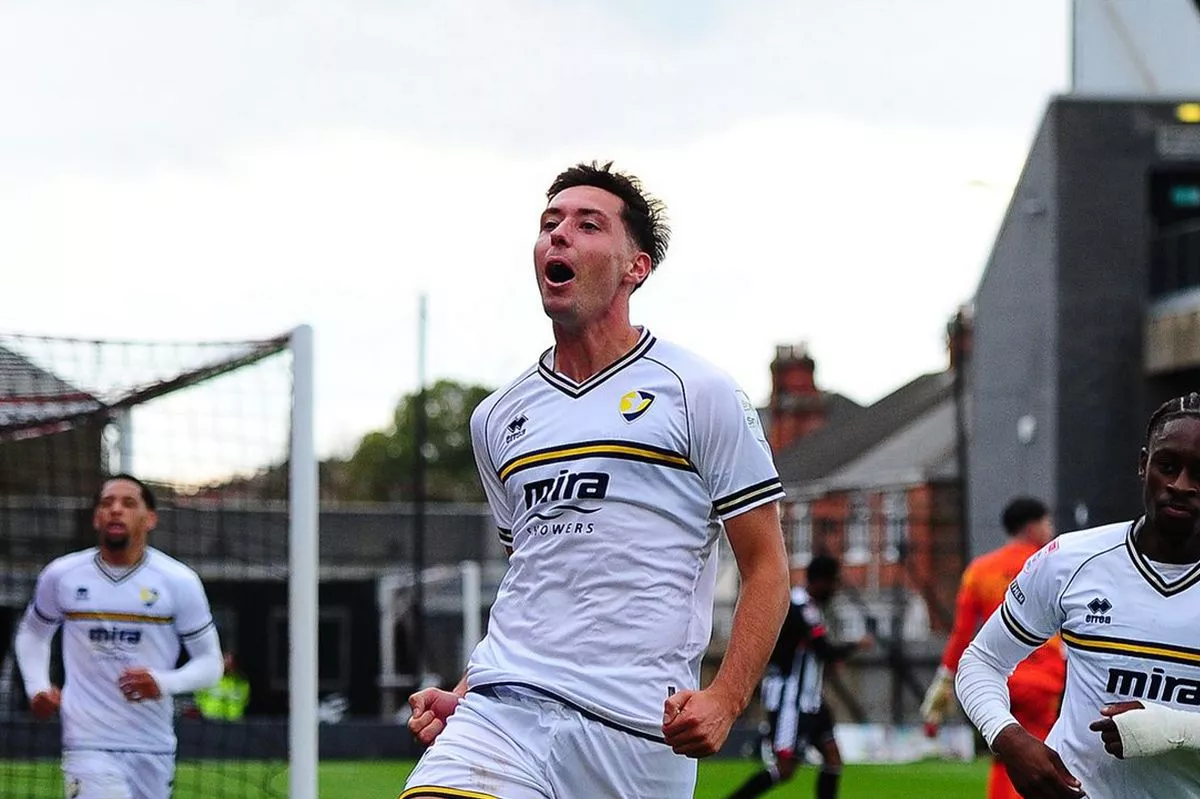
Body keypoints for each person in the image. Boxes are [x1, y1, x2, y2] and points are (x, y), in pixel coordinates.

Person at [402, 161, 791, 799]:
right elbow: (538, 579)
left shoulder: (701, 393)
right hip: (503, 713)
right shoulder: (497, 417)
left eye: (587, 225)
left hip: (635, 733)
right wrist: (469, 690)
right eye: (549, 224)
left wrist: (725, 697)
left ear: (635, 266)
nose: (559, 236)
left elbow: (768, 565)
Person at [956, 394, 1200, 799]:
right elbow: (982, 661)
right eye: (1168, 466)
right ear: (1144, 465)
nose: (1180, 485)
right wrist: (1008, 736)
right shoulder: (1070, 560)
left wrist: (1170, 731)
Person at [15, 473, 223, 799]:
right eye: (107, 503)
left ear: (149, 518)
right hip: (87, 740)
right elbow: (32, 634)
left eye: (128, 503)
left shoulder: (178, 581)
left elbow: (211, 664)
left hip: (153, 743)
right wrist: (37, 687)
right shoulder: (62, 574)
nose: (115, 510)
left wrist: (161, 682)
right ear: (97, 517)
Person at [921, 497, 1066, 799]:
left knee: (1005, 754)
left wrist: (945, 679)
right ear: (1033, 527)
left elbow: (961, 633)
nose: (1050, 529)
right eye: (1047, 523)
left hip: (998, 679)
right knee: (1042, 757)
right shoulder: (1052, 563)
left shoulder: (979, 570)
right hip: (1043, 679)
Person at [725, 554, 871, 799]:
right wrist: (856, 645)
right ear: (820, 581)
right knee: (785, 769)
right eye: (833, 582)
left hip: (810, 700)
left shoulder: (809, 607)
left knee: (833, 757)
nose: (835, 588)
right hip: (790, 699)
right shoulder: (801, 606)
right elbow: (822, 648)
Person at [194, 651, 250, 722]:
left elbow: (245, 701)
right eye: (226, 661)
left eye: (231, 662)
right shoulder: (210, 678)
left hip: (233, 720)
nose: (228, 664)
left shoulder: (241, 681)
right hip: (210, 719)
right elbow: (199, 697)